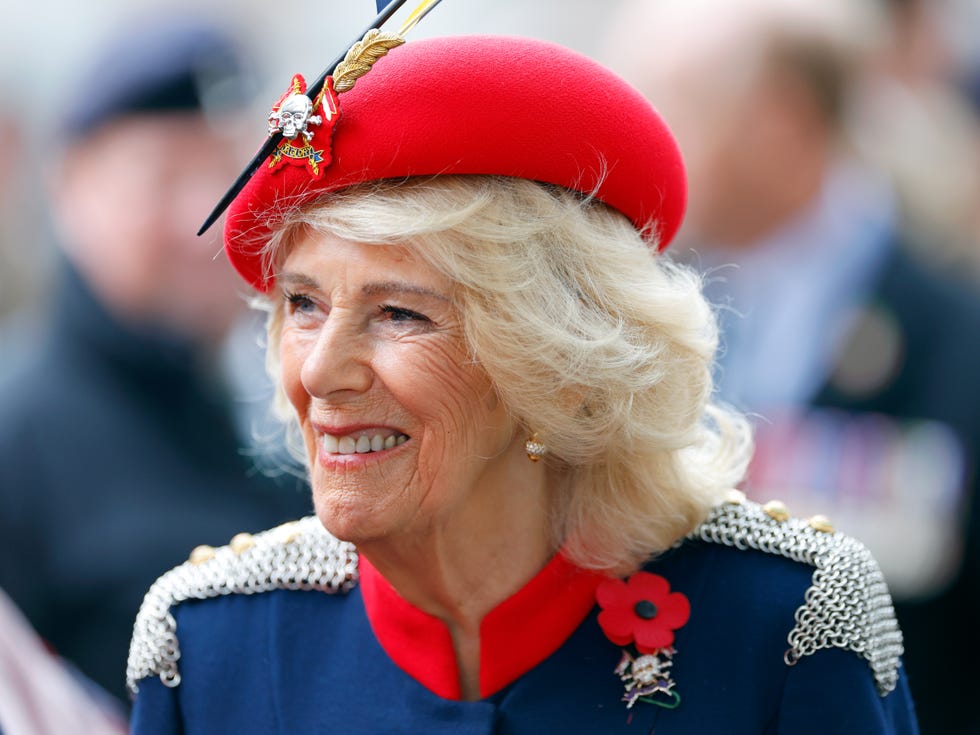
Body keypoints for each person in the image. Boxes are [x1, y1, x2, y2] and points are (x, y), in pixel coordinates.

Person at [126, 32, 919, 733]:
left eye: (399, 312)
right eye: (303, 303)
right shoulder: (204, 646)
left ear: (555, 356)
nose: (320, 370)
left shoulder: (784, 626)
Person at [600, 0, 980, 730]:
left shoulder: (955, 338)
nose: (637, 141)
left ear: (781, 121)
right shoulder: (616, 320)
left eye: (672, 102)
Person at [0, 16, 310, 704]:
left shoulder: (293, 386)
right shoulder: (18, 436)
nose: (206, 212)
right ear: (69, 188)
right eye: (164, 177)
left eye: (227, 170)